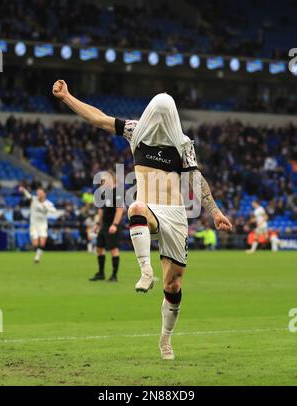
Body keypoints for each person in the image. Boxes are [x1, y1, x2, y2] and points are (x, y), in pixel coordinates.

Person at [52, 80, 232, 360]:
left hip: (175, 215)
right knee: (136, 206)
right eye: (156, 113)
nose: (159, 118)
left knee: (173, 286)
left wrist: (215, 212)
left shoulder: (183, 144)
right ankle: (146, 270)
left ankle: (165, 339)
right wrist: (67, 97)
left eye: (165, 114)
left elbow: (196, 180)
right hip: (150, 207)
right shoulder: (135, 131)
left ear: (171, 117)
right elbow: (98, 118)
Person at [89, 171, 124, 282]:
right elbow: (101, 210)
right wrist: (98, 224)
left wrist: (115, 224)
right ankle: (101, 273)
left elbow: (119, 210)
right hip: (104, 225)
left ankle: (114, 275)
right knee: (99, 248)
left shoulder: (117, 193)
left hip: (112, 225)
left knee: (114, 249)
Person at [19, 186, 57, 263]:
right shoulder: (34, 199)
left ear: (44, 194)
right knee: (35, 244)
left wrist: (46, 207)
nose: (38, 194)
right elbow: (28, 195)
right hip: (34, 225)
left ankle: (37, 257)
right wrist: (23, 190)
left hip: (42, 225)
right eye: (37, 192)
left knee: (42, 242)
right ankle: (36, 253)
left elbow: (54, 211)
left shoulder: (48, 203)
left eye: (40, 193)